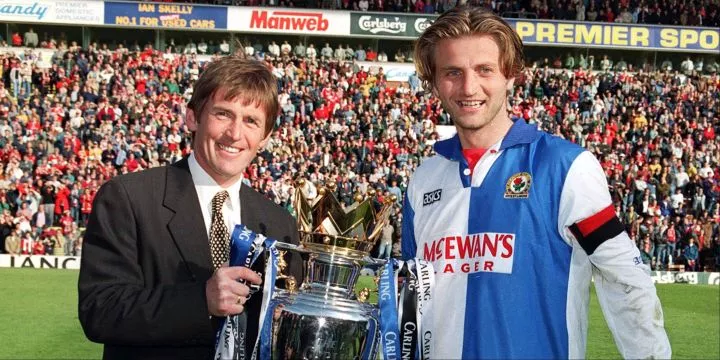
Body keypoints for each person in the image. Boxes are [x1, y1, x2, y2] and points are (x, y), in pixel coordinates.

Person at [402, 7, 670, 359]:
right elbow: (412, 302)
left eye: (485, 70)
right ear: (435, 82)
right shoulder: (424, 180)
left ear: (511, 75)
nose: (469, 87)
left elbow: (625, 280)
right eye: (453, 72)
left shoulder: (566, 167)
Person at [78, 55, 302, 359]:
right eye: (223, 114)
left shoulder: (279, 223)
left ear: (265, 137)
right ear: (193, 118)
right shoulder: (128, 198)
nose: (235, 134)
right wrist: (202, 301)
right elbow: (99, 309)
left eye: (251, 121)